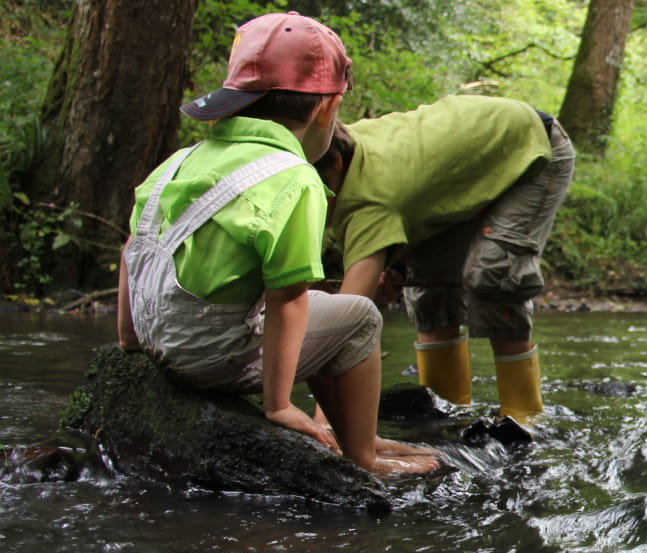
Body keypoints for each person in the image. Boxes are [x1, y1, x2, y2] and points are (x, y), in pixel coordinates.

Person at [115, 12, 436, 477]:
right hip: (209, 360)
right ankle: (362, 456)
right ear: (326, 107)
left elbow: (133, 249)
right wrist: (278, 406)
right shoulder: (293, 178)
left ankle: (352, 432)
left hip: (155, 340)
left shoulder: (181, 162)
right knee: (359, 316)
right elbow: (287, 299)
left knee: (329, 312)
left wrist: (130, 340)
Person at [315, 95, 575, 422]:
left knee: (495, 273)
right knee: (427, 286)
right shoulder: (338, 146)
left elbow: (346, 322)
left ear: (335, 167)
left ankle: (524, 414)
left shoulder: (373, 198)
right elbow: (420, 204)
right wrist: (395, 266)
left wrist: (324, 425)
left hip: (534, 149)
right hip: (465, 171)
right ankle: (446, 411)